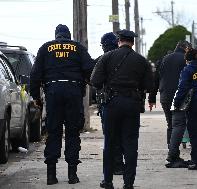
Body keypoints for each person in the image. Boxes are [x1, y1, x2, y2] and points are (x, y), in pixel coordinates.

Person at [30, 24, 94, 185]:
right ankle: (72, 175)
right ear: (68, 35)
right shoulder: (78, 47)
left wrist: (36, 97)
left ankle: (51, 175)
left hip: (53, 92)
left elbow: (35, 75)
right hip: (73, 91)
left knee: (53, 132)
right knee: (73, 132)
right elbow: (90, 69)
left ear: (56, 35)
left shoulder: (45, 48)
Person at [91, 29, 154, 189]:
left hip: (111, 103)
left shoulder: (107, 57)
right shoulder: (141, 60)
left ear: (118, 40)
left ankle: (108, 181)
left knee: (110, 142)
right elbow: (150, 85)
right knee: (130, 143)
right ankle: (128, 183)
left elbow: (95, 81)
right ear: (132, 42)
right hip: (132, 103)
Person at [148, 41, 191, 148]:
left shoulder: (163, 59)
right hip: (181, 97)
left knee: (170, 124)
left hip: (165, 96)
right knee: (180, 123)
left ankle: (171, 149)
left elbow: (156, 80)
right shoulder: (186, 60)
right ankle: (175, 151)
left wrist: (152, 99)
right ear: (185, 48)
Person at [94, 32, 125, 175]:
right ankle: (119, 164)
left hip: (105, 103)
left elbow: (94, 81)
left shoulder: (100, 60)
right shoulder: (125, 58)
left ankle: (111, 166)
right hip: (124, 101)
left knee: (109, 136)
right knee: (122, 134)